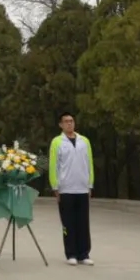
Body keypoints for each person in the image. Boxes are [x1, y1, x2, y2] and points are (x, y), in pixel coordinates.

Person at [49, 111, 94, 266]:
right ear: (61, 124)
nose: (69, 124)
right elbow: (53, 165)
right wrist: (55, 186)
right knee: (68, 222)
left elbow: (89, 164)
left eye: (71, 121)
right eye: (66, 121)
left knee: (83, 222)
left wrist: (90, 184)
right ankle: (71, 253)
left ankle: (84, 253)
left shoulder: (84, 141)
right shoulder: (57, 142)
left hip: (82, 187)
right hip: (66, 188)